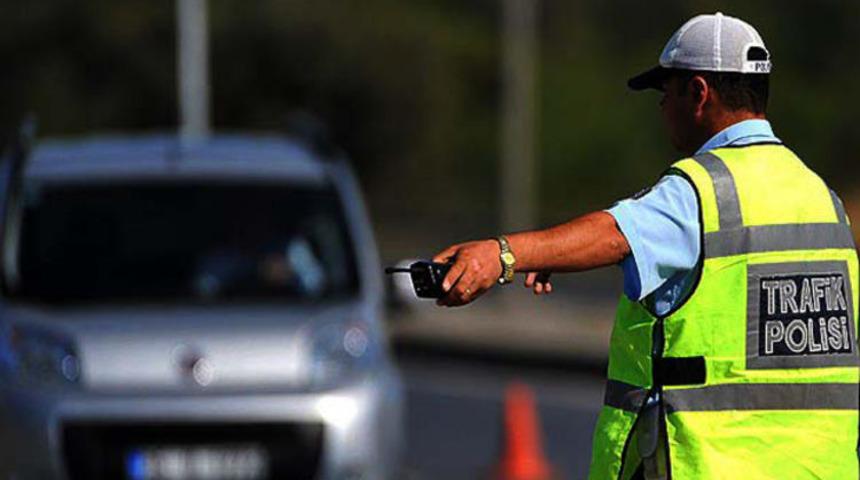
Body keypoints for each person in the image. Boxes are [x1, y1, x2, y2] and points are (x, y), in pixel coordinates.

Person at [433, 12, 859, 480]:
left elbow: (614, 234)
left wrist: (501, 255)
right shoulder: (823, 200)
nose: (661, 108)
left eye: (666, 92)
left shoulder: (702, 191)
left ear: (698, 92)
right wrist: (557, 254)